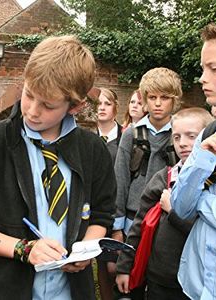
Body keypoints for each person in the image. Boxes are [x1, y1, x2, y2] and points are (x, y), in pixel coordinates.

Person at [0, 35, 116, 300]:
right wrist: (23, 249)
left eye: (48, 105)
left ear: (76, 106)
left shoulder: (94, 151)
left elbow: (102, 214)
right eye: (28, 95)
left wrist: (86, 248)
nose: (32, 111)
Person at [171, 19, 216, 300]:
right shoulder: (210, 132)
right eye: (203, 68)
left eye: (214, 68)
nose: (202, 77)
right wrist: (201, 160)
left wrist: (201, 203)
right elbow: (180, 206)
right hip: (197, 282)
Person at [115, 108, 213, 300]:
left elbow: (205, 232)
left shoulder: (215, 182)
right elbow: (138, 225)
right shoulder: (163, 179)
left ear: (207, 136)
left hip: (198, 281)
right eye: (176, 137)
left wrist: (173, 212)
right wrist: (124, 267)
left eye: (191, 136)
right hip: (159, 278)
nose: (182, 143)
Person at [112, 67, 182, 299]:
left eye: (165, 98)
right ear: (144, 100)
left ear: (175, 100)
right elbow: (120, 180)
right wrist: (117, 227)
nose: (158, 104)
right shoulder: (132, 134)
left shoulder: (183, 135)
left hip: (168, 218)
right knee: (130, 281)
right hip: (134, 219)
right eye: (152, 97)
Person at [95, 87, 122, 300]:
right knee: (101, 266)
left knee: (115, 267)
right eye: (98, 104)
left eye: (107, 103)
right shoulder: (86, 137)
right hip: (92, 208)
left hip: (116, 208)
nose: (102, 108)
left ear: (115, 108)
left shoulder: (124, 138)